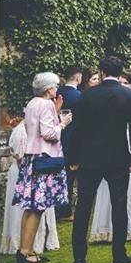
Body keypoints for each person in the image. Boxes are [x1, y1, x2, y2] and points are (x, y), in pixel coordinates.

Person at [69, 56, 131, 263]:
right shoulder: (128, 95)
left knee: (83, 205)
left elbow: (77, 128)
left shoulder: (87, 95)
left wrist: (73, 157)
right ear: (120, 73)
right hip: (117, 157)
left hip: (89, 158)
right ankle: (119, 254)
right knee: (119, 204)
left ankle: (79, 257)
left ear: (101, 72)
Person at [12, 72, 72, 263]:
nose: (57, 88)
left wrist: (56, 112)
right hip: (43, 158)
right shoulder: (45, 104)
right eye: (55, 85)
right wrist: (62, 123)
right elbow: (48, 134)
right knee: (37, 208)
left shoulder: (32, 103)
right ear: (48, 89)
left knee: (30, 207)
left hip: (32, 158)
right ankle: (27, 251)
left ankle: (23, 249)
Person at [88, 71, 131, 243]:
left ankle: (129, 228)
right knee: (107, 191)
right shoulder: (110, 98)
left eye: (126, 83)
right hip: (112, 146)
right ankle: (105, 228)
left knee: (127, 191)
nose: (122, 85)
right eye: (120, 82)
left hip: (130, 144)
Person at [2, 120, 60, 256]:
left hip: (38, 172)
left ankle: (32, 245)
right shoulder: (21, 131)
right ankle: (24, 247)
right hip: (26, 175)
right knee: (28, 210)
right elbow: (20, 159)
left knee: (35, 210)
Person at [56, 66, 82, 221]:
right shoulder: (78, 96)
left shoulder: (57, 93)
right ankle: (65, 211)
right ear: (78, 78)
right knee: (69, 177)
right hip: (71, 140)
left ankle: (57, 208)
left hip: (55, 138)